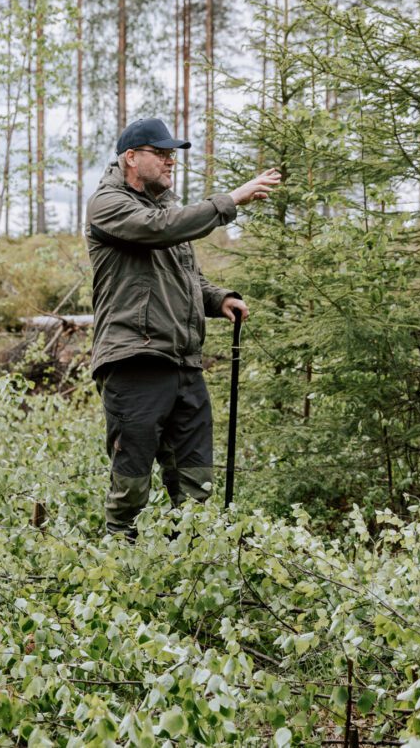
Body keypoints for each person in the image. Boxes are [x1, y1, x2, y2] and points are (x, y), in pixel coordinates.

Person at [86, 117, 280, 538]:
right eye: (162, 153)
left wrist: (218, 298)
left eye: (173, 154)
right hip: (134, 360)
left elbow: (186, 275)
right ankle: (118, 571)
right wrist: (231, 200)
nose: (171, 162)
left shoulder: (165, 208)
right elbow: (159, 231)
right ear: (131, 158)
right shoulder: (108, 204)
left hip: (183, 363)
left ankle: (189, 574)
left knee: (196, 484)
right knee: (131, 485)